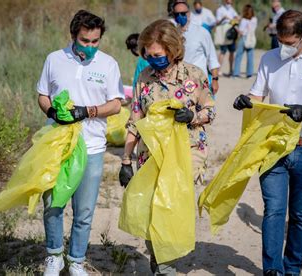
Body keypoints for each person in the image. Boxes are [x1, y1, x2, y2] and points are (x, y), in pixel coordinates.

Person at [233, 10, 302, 275]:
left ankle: (292, 269)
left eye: (289, 43)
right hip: (273, 145)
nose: (283, 47)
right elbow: (257, 93)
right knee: (273, 210)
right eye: (280, 41)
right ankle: (273, 270)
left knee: (301, 215)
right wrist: (245, 100)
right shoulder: (269, 58)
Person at [119, 19, 215, 274]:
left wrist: (192, 117)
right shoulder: (144, 77)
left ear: (172, 49)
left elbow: (210, 111)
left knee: (170, 209)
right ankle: (159, 261)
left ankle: (166, 267)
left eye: (158, 55)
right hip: (151, 157)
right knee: (152, 212)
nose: (152, 59)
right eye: (148, 55)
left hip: (187, 155)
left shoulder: (194, 75)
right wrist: (126, 161)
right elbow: (135, 120)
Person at [36, 10, 124, 276]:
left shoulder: (108, 64)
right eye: (85, 41)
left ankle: (75, 260)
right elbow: (42, 95)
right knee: (52, 204)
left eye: (95, 41)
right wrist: (51, 112)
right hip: (57, 145)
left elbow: (117, 104)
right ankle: (54, 256)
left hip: (93, 147)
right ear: (73, 36)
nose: (90, 47)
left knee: (83, 210)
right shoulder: (54, 59)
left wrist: (88, 111)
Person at [172, 0, 220, 95]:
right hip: (179, 83)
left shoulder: (202, 32)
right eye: (176, 14)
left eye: (182, 13)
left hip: (199, 81)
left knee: (204, 108)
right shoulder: (172, 34)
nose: (180, 16)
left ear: (189, 13)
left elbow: (212, 58)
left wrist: (215, 79)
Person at [233, 4, 257, 78]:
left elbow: (241, 31)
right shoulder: (255, 19)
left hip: (243, 38)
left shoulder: (243, 20)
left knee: (238, 56)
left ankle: (236, 73)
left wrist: (235, 26)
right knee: (250, 56)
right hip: (251, 38)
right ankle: (249, 74)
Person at [215, 0, 239, 76]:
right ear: (225, 1)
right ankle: (218, 71)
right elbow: (217, 22)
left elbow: (236, 19)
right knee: (222, 52)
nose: (229, 4)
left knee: (232, 52)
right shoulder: (219, 10)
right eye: (228, 2)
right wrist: (224, 18)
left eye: (231, 3)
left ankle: (231, 70)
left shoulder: (232, 9)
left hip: (231, 32)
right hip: (223, 33)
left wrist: (236, 19)